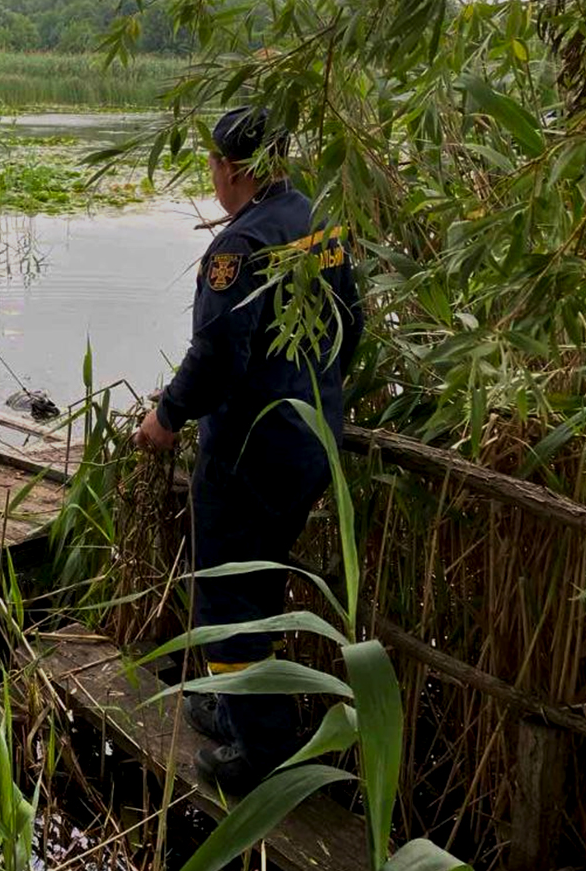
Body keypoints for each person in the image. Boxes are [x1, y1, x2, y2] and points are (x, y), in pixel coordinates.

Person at [134, 105, 364, 791]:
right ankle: (239, 710)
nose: (211, 173)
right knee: (259, 585)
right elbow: (351, 325)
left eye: (211, 161)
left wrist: (166, 415)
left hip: (249, 453)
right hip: (310, 436)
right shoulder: (320, 221)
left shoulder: (240, 246)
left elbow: (218, 354)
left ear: (230, 167)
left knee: (228, 602)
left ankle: (261, 750)